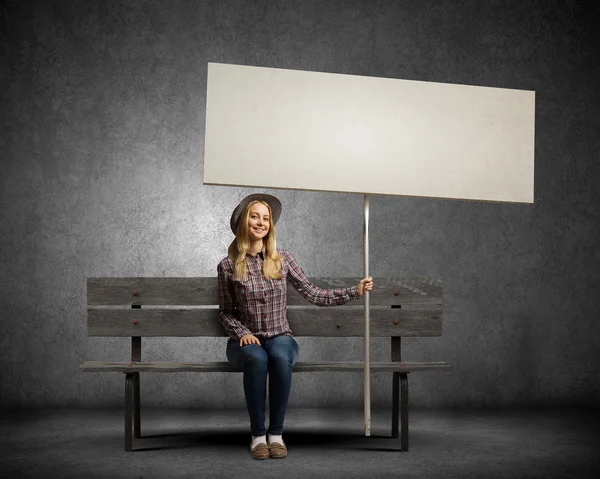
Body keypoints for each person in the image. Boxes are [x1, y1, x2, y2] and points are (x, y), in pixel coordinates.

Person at [217, 193, 374, 460]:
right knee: (256, 359)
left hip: (280, 337)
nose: (261, 222)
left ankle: (276, 435)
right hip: (245, 342)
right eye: (255, 216)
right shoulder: (228, 266)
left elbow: (313, 294)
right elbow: (225, 313)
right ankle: (257, 436)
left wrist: (354, 292)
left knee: (278, 356)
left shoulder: (283, 259)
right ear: (244, 222)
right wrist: (242, 333)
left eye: (265, 218)